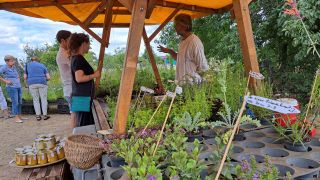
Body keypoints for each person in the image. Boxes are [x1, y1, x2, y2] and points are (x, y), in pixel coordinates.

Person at [157, 14, 209, 84]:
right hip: (182, 86)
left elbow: (203, 67)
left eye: (176, 25)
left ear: (184, 26)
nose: (175, 28)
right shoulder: (183, 42)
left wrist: (202, 89)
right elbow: (180, 59)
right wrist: (170, 51)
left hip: (192, 87)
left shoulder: (194, 42)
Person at [68, 33, 101, 127]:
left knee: (80, 122)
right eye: (88, 44)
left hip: (80, 95)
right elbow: (79, 78)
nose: (89, 46)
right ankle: (80, 141)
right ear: (83, 44)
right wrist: (94, 75)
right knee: (83, 124)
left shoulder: (76, 58)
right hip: (82, 97)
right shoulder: (78, 59)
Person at [56, 30, 76, 127]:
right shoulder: (63, 54)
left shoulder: (66, 52)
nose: (72, 42)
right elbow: (76, 67)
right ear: (63, 40)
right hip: (71, 89)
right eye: (70, 40)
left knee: (76, 112)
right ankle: (75, 135)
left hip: (71, 88)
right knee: (75, 114)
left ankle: (77, 134)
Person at [0, 55, 27, 123]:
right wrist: (6, 81)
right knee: (15, 103)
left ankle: (20, 116)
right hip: (11, 87)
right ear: (7, 61)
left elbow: (17, 73)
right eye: (12, 61)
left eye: (13, 60)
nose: (13, 62)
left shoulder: (14, 66)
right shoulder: (4, 68)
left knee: (20, 102)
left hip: (18, 86)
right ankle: (16, 118)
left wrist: (18, 77)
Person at [24, 56, 51, 121]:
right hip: (42, 82)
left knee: (35, 100)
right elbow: (48, 77)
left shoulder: (27, 65)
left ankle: (38, 116)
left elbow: (25, 77)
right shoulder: (42, 65)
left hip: (31, 83)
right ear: (38, 60)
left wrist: (28, 82)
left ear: (31, 60)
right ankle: (45, 115)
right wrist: (44, 79)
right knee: (43, 99)